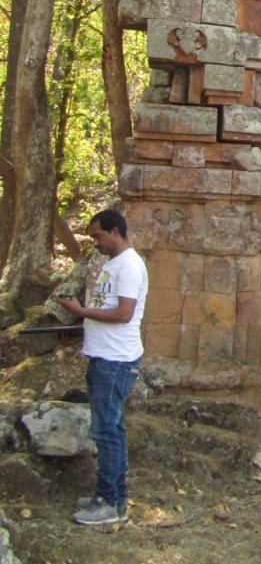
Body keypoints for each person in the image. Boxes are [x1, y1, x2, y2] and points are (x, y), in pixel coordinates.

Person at [58, 209, 148, 526]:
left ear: (114, 231)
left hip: (116, 360)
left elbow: (124, 313)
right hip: (103, 356)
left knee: (107, 432)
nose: (95, 243)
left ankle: (110, 502)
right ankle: (109, 495)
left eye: (98, 236)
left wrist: (81, 311)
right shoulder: (112, 265)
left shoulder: (130, 266)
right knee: (108, 429)